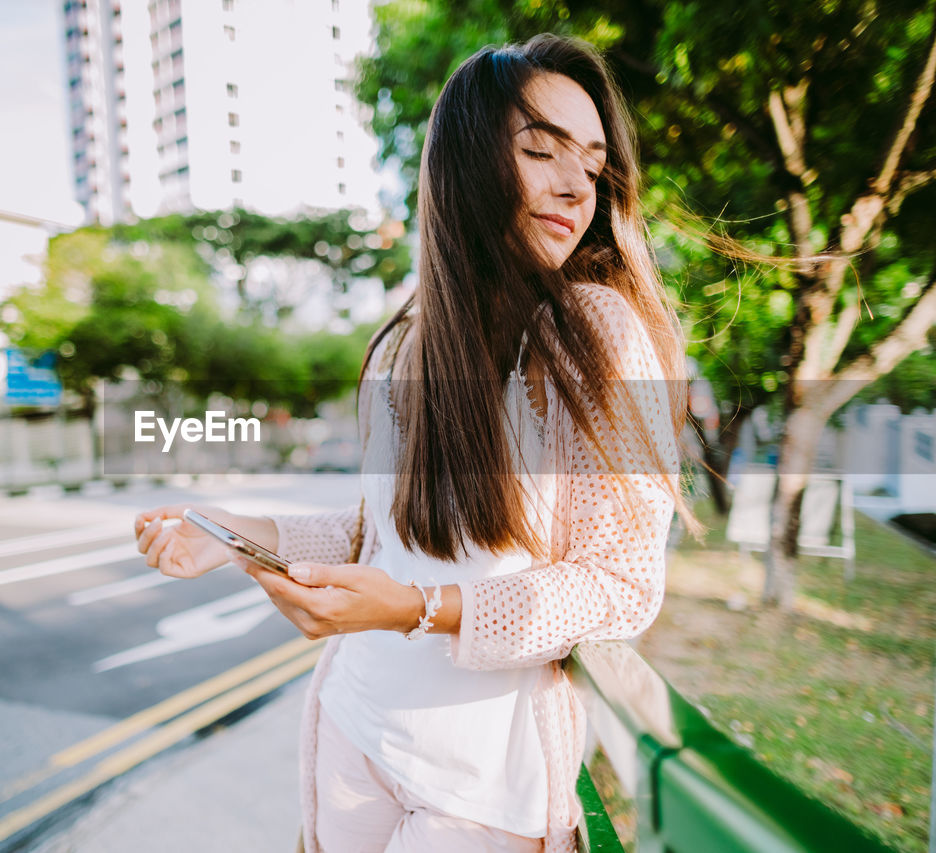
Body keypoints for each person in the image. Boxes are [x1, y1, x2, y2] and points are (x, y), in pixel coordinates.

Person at [133, 34, 692, 853]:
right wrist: (235, 535)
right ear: (464, 166)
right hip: (355, 727)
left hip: (481, 783)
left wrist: (418, 610)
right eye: (540, 150)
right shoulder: (411, 345)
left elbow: (623, 585)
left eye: (593, 160)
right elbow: (379, 532)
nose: (576, 184)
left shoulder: (597, 334)